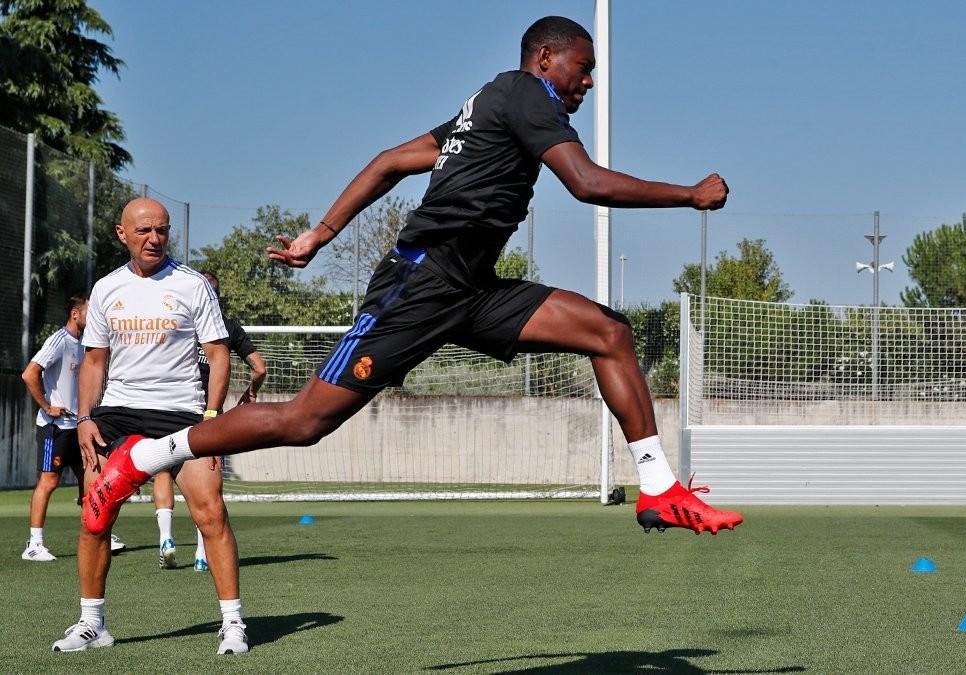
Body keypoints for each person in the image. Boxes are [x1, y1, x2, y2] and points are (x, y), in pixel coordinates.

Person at [85, 16, 742, 542]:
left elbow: (394, 159)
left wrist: (320, 233)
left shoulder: (489, 105)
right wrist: (689, 193)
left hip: (471, 288)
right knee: (303, 420)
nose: (589, 82)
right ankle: (138, 459)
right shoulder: (524, 92)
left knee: (608, 332)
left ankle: (658, 489)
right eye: (584, 67)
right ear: (545, 58)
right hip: (420, 282)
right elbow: (586, 181)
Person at [52, 198, 249, 655]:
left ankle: (233, 623)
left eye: (161, 230)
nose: (154, 238)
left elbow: (218, 354)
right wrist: (84, 418)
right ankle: (91, 624)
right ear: (122, 234)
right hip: (117, 412)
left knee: (211, 513)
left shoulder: (193, 284)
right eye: (143, 231)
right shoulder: (105, 289)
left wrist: (213, 418)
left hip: (182, 412)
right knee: (94, 518)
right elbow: (94, 360)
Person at [153, 270, 267, 572]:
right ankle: (203, 554)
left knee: (162, 471)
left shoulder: (179, 324)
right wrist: (250, 394)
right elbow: (260, 368)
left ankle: (166, 538)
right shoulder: (228, 328)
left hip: (172, 410)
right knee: (206, 481)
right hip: (208, 415)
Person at [20, 296, 126, 561]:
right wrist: (46, 405)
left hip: (79, 427)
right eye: (90, 312)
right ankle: (34, 545)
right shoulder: (59, 340)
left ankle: (98, 533)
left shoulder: (86, 346)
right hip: (54, 429)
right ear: (75, 314)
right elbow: (29, 373)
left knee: (92, 480)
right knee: (49, 481)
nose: (94, 317)